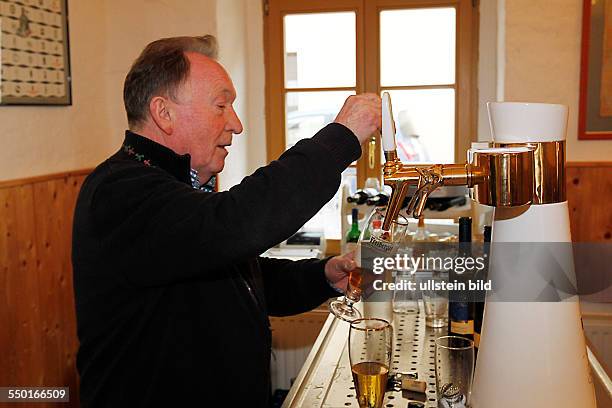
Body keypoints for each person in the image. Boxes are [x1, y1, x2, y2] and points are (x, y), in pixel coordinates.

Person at [72, 35, 381, 407]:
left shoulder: (176, 185)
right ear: (163, 113)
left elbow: (239, 280)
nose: (236, 124)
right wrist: (341, 138)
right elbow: (236, 224)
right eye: (221, 105)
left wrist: (322, 275)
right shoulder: (120, 191)